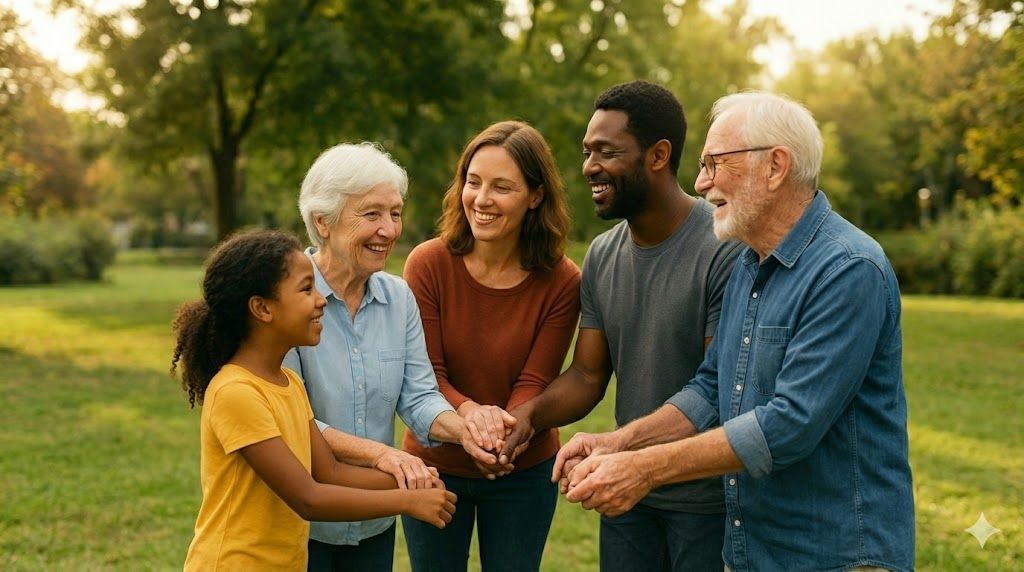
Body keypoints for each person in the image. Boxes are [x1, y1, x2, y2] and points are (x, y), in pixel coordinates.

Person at [558, 92, 915, 572]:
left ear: (775, 167)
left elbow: (788, 426)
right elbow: (711, 389)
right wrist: (619, 443)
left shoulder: (848, 269)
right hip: (753, 552)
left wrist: (643, 469)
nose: (701, 182)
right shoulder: (750, 263)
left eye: (715, 163)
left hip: (836, 555)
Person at [499, 80, 743, 571]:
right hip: (626, 499)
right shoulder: (603, 255)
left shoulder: (724, 249)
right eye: (588, 152)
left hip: (707, 504)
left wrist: (628, 452)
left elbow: (718, 389)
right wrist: (530, 416)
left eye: (607, 152)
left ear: (658, 156)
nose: (590, 166)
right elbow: (589, 375)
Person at [171, 230, 456, 571]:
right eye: (306, 289)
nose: (321, 299)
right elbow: (308, 497)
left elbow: (329, 471)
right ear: (262, 308)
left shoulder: (288, 382)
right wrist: (407, 500)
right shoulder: (236, 392)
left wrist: (418, 477)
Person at [284, 143, 500, 571]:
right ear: (322, 222)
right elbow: (291, 420)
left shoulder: (399, 298)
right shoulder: (289, 299)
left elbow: (419, 397)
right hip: (297, 526)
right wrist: (385, 455)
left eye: (395, 213)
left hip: (373, 521)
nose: (389, 230)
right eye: (371, 214)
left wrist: (467, 430)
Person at [400, 120, 581, 572]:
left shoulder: (562, 280)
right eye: (473, 182)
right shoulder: (428, 264)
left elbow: (536, 379)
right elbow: (428, 375)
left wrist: (503, 438)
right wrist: (471, 417)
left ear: (535, 196)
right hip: (433, 467)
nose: (481, 200)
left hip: (523, 465)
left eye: (502, 187)